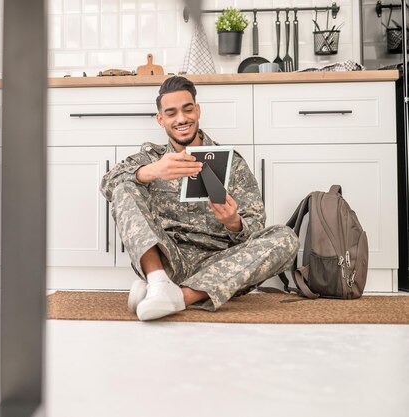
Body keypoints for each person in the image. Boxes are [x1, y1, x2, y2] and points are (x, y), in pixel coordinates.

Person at [100, 76, 299, 321]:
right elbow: (108, 184)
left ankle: (176, 297)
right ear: (160, 120)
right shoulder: (151, 158)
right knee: (124, 184)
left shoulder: (232, 163)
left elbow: (255, 229)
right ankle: (158, 281)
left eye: (187, 109)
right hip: (169, 260)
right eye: (171, 113)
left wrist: (233, 222)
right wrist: (152, 171)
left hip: (223, 264)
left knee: (286, 238)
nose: (181, 119)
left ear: (198, 111)